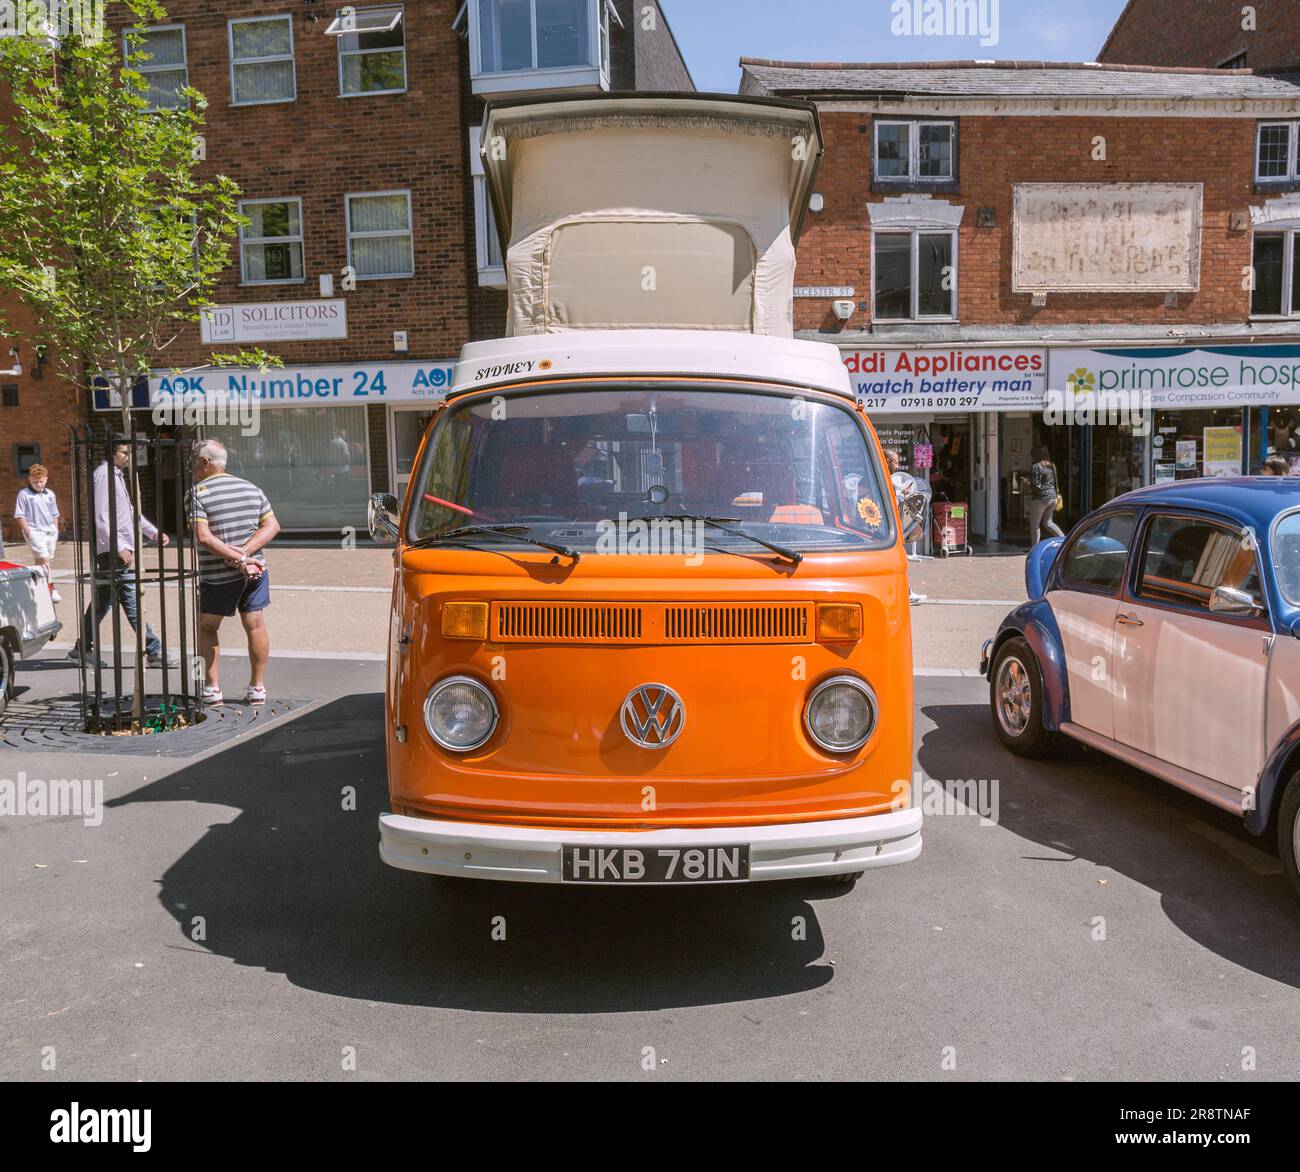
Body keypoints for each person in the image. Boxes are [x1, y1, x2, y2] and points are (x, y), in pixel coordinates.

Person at [69, 440, 179, 668]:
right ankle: (154, 650)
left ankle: (80, 650)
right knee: (130, 599)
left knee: (101, 603)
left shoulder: (116, 476)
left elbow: (130, 512)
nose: (128, 456)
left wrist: (153, 533)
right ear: (111, 452)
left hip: (118, 549)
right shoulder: (104, 476)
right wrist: (118, 546)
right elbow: (101, 517)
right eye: (123, 452)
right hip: (113, 552)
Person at [188, 439, 280, 706]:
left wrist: (236, 557)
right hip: (255, 571)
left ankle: (212, 689)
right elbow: (272, 526)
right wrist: (246, 554)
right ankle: (257, 688)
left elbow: (203, 538)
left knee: (207, 628)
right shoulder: (251, 488)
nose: (193, 468)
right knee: (255, 624)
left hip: (217, 574)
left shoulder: (197, 493)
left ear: (205, 463)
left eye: (194, 462)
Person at [883, 448, 926, 604]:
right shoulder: (883, 479)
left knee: (899, 562)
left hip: (889, 530)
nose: (898, 466)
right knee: (899, 561)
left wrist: (903, 495)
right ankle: (904, 594)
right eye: (895, 462)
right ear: (887, 461)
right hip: (886, 532)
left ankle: (903, 593)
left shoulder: (888, 479)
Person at [15, 463, 61, 603]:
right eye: (35, 482)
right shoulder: (24, 494)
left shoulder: (50, 494)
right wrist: (28, 533)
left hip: (49, 531)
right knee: (45, 560)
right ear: (30, 479)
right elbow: (19, 515)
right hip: (35, 531)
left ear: (46, 479)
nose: (39, 484)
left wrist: (55, 529)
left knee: (40, 561)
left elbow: (54, 513)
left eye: (41, 481)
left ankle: (38, 588)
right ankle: (50, 589)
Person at [1027, 446, 1064, 545]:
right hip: (1053, 497)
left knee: (1035, 525)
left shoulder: (1036, 466)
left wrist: (1028, 482)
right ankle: (1065, 541)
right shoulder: (1052, 465)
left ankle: (1034, 548)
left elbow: (1036, 485)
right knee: (1048, 523)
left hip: (1040, 499)